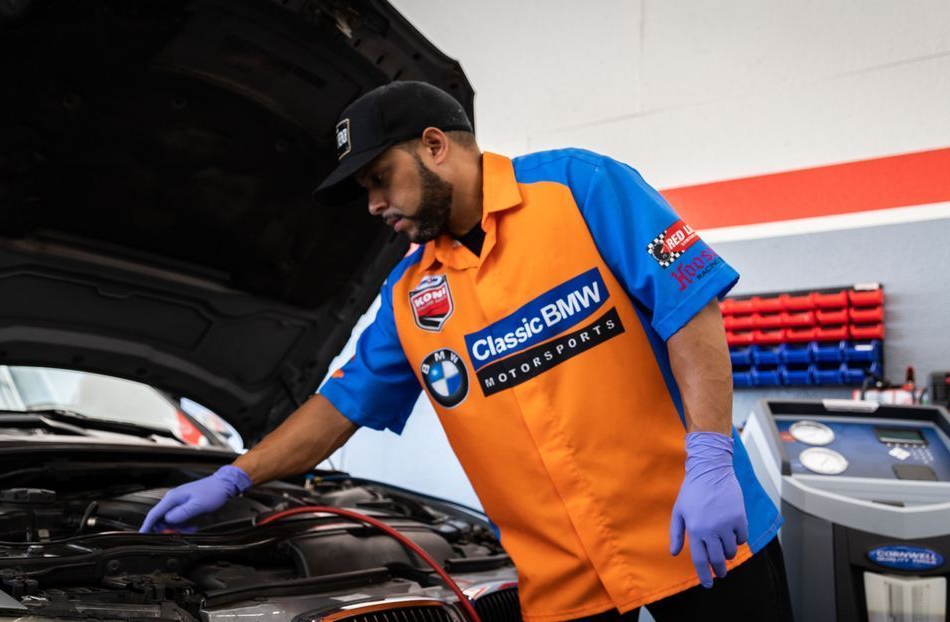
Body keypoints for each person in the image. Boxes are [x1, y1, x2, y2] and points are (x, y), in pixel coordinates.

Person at [141, 81, 792, 622]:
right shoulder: (409, 295)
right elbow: (340, 404)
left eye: (379, 179)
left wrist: (710, 460)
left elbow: (692, 313)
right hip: (565, 589)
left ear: (434, 145)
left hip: (701, 536)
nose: (373, 205)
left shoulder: (581, 189)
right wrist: (237, 474)